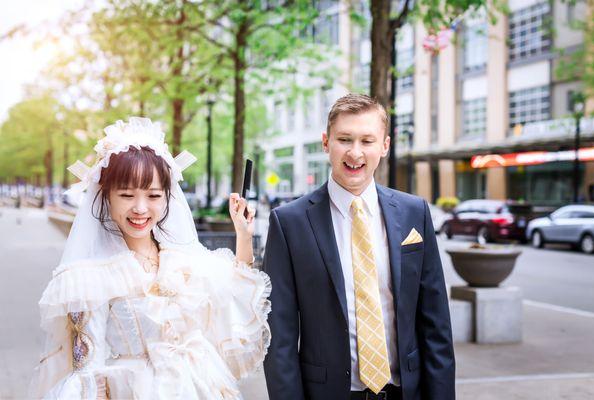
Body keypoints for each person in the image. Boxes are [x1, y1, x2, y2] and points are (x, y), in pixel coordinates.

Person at [30, 117, 271, 399]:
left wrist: (243, 234)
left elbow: (233, 296)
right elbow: (86, 370)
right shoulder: (88, 277)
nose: (141, 208)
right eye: (127, 194)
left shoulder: (181, 260)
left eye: (154, 195)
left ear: (168, 197)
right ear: (107, 196)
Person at [263, 94, 455, 400]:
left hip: (405, 392)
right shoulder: (289, 223)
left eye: (367, 140)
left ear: (385, 146)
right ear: (326, 143)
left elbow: (436, 326)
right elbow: (280, 338)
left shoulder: (414, 213)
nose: (355, 152)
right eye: (344, 139)